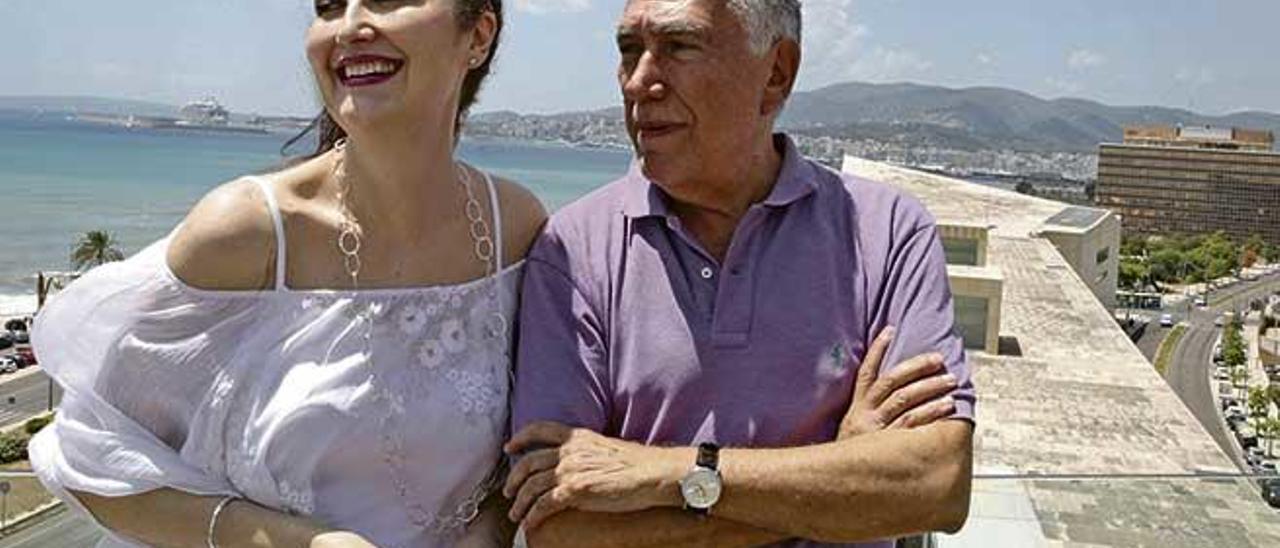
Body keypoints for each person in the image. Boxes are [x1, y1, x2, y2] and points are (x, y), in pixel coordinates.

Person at [29, 1, 545, 546]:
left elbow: (529, 450)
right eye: (328, 6)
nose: (348, 26)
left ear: (479, 35)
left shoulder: (512, 228)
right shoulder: (245, 233)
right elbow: (89, 459)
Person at [506, 0, 975, 546]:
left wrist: (668, 475)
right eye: (629, 50)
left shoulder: (888, 231)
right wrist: (838, 476)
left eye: (678, 47)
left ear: (776, 73)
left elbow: (936, 483)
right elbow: (559, 526)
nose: (637, 82)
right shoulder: (573, 249)